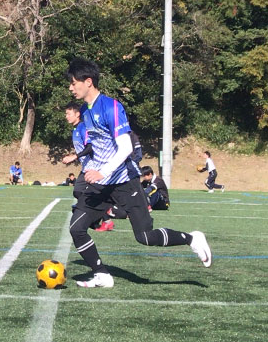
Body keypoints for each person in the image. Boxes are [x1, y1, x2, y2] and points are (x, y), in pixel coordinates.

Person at [65, 58, 212, 288]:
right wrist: (87, 163)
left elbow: (125, 147)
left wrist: (102, 170)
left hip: (124, 182)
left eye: (74, 83)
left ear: (88, 82)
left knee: (145, 237)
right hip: (100, 185)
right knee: (76, 228)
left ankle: (191, 238)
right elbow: (99, 143)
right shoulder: (85, 110)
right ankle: (102, 274)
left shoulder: (111, 107)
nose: (71, 87)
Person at [61, 101, 93, 203]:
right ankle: (103, 215)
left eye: (69, 114)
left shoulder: (83, 127)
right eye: (66, 114)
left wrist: (74, 157)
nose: (66, 116)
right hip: (86, 167)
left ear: (77, 114)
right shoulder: (75, 129)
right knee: (78, 191)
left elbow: (90, 147)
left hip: (94, 167)